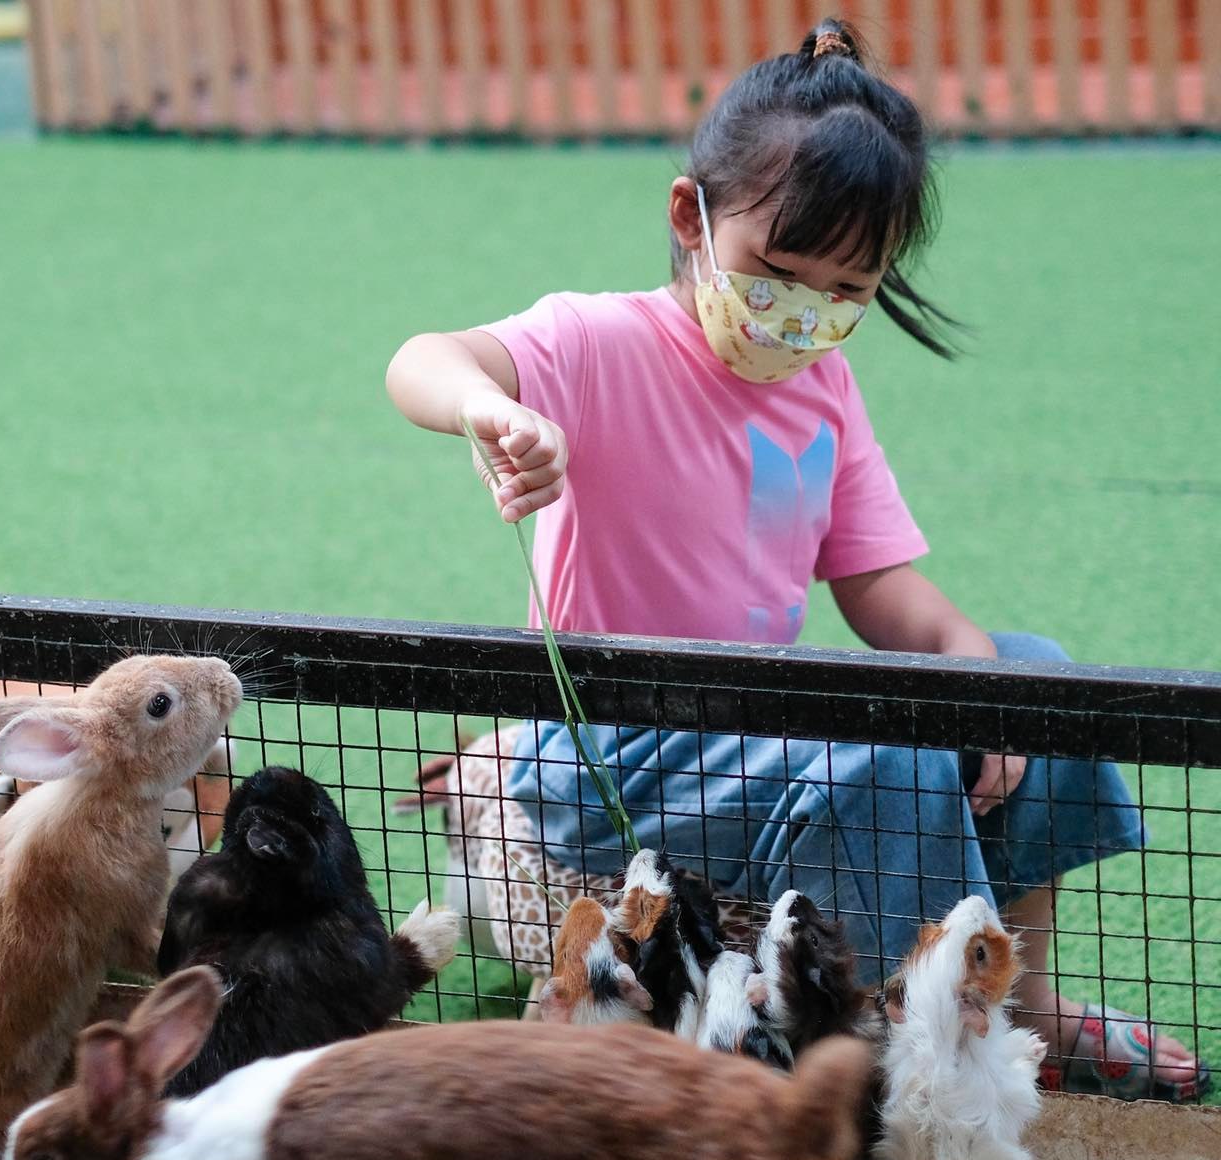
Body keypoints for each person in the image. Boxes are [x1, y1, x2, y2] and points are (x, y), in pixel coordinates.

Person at [386, 19, 1204, 1099]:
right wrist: (492, 410)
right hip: (616, 754)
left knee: (1029, 671)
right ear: (692, 216)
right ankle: (919, 1045)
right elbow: (423, 361)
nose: (801, 315)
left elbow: (879, 589)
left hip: (758, 722)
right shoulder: (599, 340)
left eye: (845, 293)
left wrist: (978, 673)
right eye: (775, 273)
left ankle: (1029, 1011)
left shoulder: (822, 389)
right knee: (889, 754)